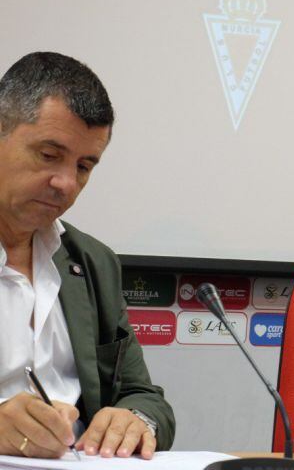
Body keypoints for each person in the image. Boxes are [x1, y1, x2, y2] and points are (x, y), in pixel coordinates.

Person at [0, 52, 175, 459]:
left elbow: (146, 398)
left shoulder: (93, 262)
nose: (65, 183)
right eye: (48, 155)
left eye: (84, 166)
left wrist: (134, 419)